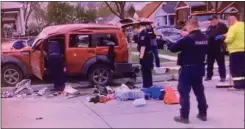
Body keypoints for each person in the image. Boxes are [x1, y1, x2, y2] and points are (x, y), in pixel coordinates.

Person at [167, 19, 208, 124]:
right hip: (199, 67)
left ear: (190, 27)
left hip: (188, 69)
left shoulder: (187, 39)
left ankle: (184, 116)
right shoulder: (204, 38)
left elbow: (173, 48)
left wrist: (169, 42)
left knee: (184, 92)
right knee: (199, 92)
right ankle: (203, 114)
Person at [224, 16, 245, 90]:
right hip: (243, 50)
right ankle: (243, 84)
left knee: (235, 69)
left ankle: (237, 85)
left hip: (235, 51)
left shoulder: (233, 27)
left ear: (230, 21)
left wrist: (224, 39)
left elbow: (230, 39)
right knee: (243, 68)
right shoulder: (243, 25)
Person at [205, 14, 228, 82]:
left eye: (213, 20)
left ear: (217, 19)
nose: (212, 21)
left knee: (221, 63)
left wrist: (222, 36)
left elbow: (228, 33)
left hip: (219, 47)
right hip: (210, 47)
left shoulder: (222, 26)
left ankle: (222, 76)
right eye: (211, 20)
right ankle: (209, 76)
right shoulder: (209, 27)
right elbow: (206, 35)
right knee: (209, 63)